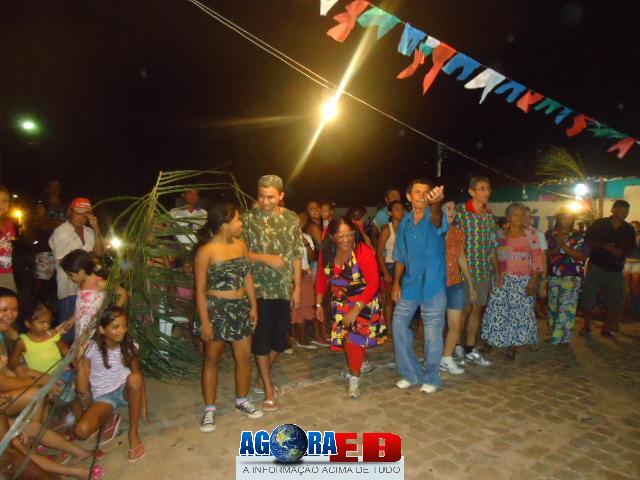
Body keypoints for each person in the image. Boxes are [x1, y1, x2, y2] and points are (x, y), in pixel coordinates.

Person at [0, 288, 104, 479]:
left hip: (6, 394)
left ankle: (75, 451)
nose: (10, 315)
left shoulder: (7, 333)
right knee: (14, 449)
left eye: (13, 310)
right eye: (3, 310)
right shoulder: (18, 338)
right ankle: (68, 469)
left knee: (32, 413)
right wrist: (40, 379)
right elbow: (6, 378)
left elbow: (12, 364)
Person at [194, 203, 262, 432]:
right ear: (224, 225)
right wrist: (205, 322)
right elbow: (199, 291)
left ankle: (242, 400)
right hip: (217, 310)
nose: (241, 224)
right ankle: (209, 409)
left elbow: (247, 278)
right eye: (237, 220)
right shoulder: (206, 251)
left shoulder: (241, 245)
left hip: (240, 308)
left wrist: (253, 306)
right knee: (212, 360)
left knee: (244, 357)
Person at [242, 175, 303, 411]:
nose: (265, 202)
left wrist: (297, 288)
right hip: (258, 289)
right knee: (262, 340)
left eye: (271, 197)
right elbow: (239, 252)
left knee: (280, 341)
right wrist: (266, 258)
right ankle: (268, 389)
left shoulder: (291, 218)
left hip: (283, 288)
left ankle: (261, 376)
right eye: (261, 196)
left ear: (281, 196)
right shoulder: (248, 219)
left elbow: (296, 254)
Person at [315, 217, 386, 398]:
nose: (346, 239)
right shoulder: (327, 253)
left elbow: (373, 284)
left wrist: (355, 310)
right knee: (350, 340)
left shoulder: (362, 251)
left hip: (364, 301)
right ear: (332, 237)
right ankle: (362, 362)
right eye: (341, 236)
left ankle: (354, 379)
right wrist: (318, 304)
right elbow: (322, 279)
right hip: (340, 303)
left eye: (349, 234)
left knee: (353, 341)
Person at [391, 178, 447, 393]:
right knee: (398, 325)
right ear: (409, 196)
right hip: (410, 285)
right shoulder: (404, 223)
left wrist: (437, 203)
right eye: (417, 191)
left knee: (432, 334)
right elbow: (400, 256)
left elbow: (437, 220)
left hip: (433, 285)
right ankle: (411, 374)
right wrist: (396, 283)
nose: (422, 195)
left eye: (426, 192)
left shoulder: (435, 215)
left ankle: (431, 378)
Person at [74, 306, 147, 463]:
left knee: (134, 378)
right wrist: (79, 359)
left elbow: (139, 376)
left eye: (124, 325)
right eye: (115, 327)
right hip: (103, 397)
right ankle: (110, 417)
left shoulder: (129, 345)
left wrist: (143, 405)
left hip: (125, 390)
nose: (122, 330)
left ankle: (133, 433)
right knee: (81, 431)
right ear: (102, 329)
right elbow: (82, 388)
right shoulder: (91, 348)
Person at [482, 203, 543, 361]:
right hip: (502, 278)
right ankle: (491, 340)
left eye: (523, 215)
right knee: (496, 310)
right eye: (516, 215)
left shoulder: (531, 235)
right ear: (508, 217)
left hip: (523, 280)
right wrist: (498, 274)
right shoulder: (500, 235)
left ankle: (512, 346)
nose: (520, 218)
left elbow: (537, 259)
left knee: (519, 313)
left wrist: (533, 281)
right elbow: (495, 255)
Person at [8, 302, 81, 423]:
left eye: (48, 322)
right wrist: (24, 371)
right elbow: (13, 363)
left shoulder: (53, 334)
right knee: (54, 399)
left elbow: (65, 350)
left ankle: (79, 418)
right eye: (42, 322)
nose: (46, 325)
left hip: (63, 372)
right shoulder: (22, 341)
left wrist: (76, 366)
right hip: (41, 378)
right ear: (28, 323)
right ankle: (63, 415)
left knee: (71, 396)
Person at [455, 177, 498, 367]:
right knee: (464, 309)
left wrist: (497, 271)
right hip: (463, 270)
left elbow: (492, 246)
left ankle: (469, 348)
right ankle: (455, 345)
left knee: (477, 309)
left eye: (488, 188)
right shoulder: (461, 213)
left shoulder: (489, 215)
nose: (487, 192)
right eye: (482, 189)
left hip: (483, 270)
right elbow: (455, 244)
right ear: (471, 192)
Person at [49, 197, 105, 339]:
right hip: (69, 286)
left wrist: (96, 228)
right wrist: (91, 257)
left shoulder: (90, 232)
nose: (82, 218)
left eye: (86, 214)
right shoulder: (60, 231)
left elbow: (99, 252)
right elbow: (69, 261)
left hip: (90, 289)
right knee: (68, 328)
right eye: (78, 213)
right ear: (70, 212)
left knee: (88, 326)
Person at [581, 200, 637, 338]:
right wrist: (605, 246)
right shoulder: (600, 224)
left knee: (614, 299)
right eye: (622, 210)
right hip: (596, 265)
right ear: (613, 210)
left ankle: (606, 329)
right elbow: (587, 240)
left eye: (627, 211)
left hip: (615, 268)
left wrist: (622, 251)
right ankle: (586, 326)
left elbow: (632, 248)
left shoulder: (628, 229)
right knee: (589, 297)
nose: (624, 213)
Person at [440, 199, 477, 374]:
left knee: (455, 325)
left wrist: (470, 284)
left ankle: (446, 358)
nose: (452, 211)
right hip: (436, 284)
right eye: (448, 208)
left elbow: (461, 257)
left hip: (454, 283)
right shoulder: (432, 231)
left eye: (454, 208)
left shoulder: (458, 232)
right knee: (435, 326)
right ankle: (434, 360)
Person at [59, 249, 127, 343]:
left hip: (94, 327)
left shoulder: (99, 283)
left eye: (70, 275)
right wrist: (72, 319)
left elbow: (122, 292)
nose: (69, 278)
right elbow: (80, 306)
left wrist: (114, 313)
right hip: (82, 325)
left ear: (81, 271)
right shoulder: (81, 283)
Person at [545, 209, 588, 344]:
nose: (567, 220)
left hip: (572, 275)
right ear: (558, 218)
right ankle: (558, 334)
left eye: (570, 218)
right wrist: (557, 250)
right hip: (554, 274)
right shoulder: (550, 234)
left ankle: (558, 337)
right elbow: (544, 254)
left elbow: (581, 256)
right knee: (553, 306)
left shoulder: (579, 235)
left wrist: (564, 247)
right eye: (564, 217)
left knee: (566, 306)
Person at [291, 211, 324, 349]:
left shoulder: (306, 237)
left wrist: (306, 244)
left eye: (305, 219)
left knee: (306, 307)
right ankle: (300, 338)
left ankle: (302, 337)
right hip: (292, 277)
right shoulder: (286, 237)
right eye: (300, 218)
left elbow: (312, 258)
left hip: (306, 276)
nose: (302, 221)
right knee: (295, 308)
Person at [376, 200, 405, 332]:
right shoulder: (387, 229)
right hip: (390, 265)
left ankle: (398, 328)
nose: (400, 211)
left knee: (402, 299)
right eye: (397, 209)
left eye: (401, 209)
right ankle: (388, 329)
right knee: (389, 299)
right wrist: (385, 272)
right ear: (390, 213)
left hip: (404, 265)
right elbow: (379, 252)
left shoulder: (406, 227)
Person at [0, 187, 17, 292]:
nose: (1, 205)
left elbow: (10, 243)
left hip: (7, 270)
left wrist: (10, 247)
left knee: (11, 296)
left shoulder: (8, 224)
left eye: (4, 201)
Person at [623, 220, 640, 319]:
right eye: (631, 227)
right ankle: (627, 310)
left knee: (635, 288)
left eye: (635, 227)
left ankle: (634, 310)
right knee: (626, 288)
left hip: (638, 263)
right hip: (627, 262)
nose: (633, 229)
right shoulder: (626, 238)